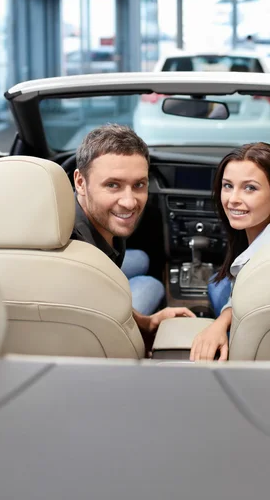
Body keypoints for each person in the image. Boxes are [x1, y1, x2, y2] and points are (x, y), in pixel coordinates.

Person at [72, 123, 196, 343]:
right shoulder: (84, 262)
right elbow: (109, 325)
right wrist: (143, 329)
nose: (130, 202)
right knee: (151, 284)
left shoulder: (71, 212)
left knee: (141, 258)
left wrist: (147, 321)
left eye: (139, 184)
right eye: (113, 185)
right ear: (80, 182)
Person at [190, 142, 270, 362]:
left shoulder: (269, 258)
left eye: (250, 188)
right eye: (228, 186)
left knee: (214, 285)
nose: (233, 199)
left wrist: (219, 326)